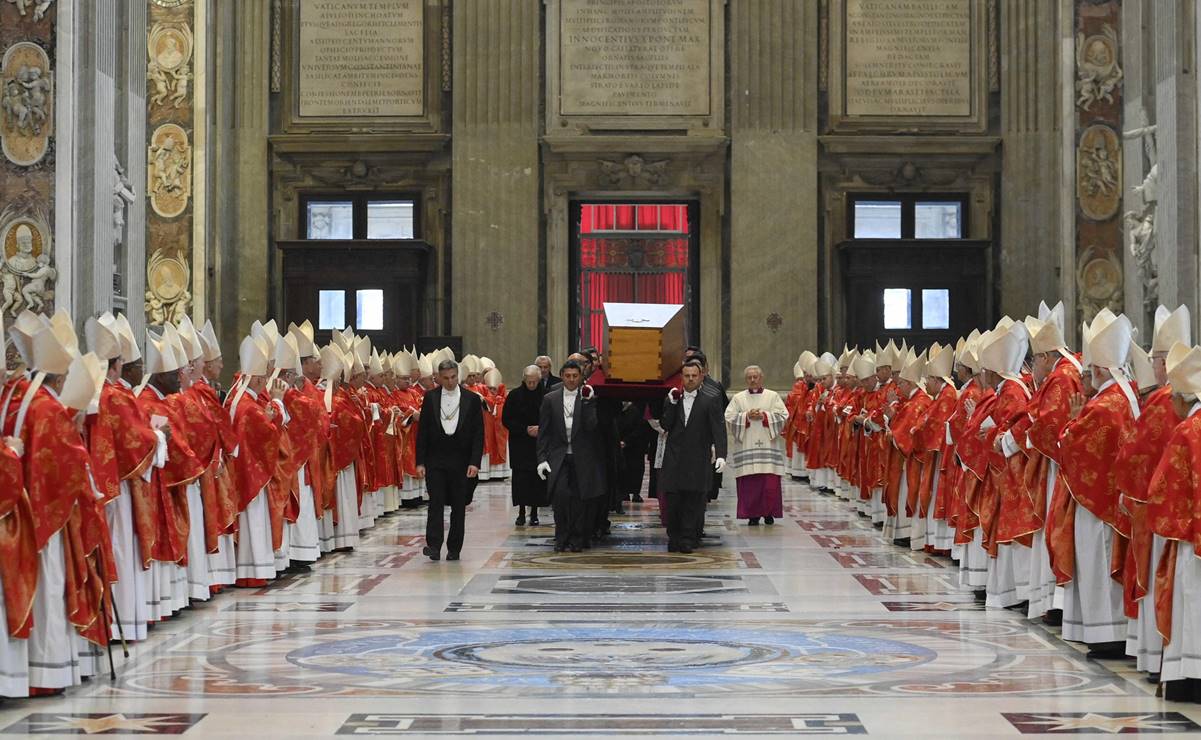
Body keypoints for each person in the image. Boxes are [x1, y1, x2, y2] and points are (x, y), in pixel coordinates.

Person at [415, 359, 484, 562]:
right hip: (435, 459)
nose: (450, 382)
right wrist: (420, 462)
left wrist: (475, 462)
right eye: (445, 378)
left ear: (458, 375)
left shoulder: (472, 399)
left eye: (453, 377)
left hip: (461, 460)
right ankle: (434, 546)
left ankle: (454, 548)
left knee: (458, 506)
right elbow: (423, 432)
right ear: (438, 377)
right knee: (435, 503)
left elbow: (478, 433)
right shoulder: (430, 398)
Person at [537, 360, 605, 552]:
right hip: (558, 457)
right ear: (562, 375)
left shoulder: (587, 397)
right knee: (560, 498)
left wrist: (588, 403)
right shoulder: (550, 399)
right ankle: (561, 537)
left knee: (579, 500)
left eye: (575, 376)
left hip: (582, 458)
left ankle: (577, 538)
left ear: (581, 377)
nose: (571, 380)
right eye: (568, 376)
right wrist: (541, 459)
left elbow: (591, 426)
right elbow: (544, 432)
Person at [660, 361, 726, 553]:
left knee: (693, 502)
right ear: (682, 377)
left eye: (693, 376)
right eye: (687, 376)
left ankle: (688, 538)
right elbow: (666, 425)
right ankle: (674, 537)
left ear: (701, 377)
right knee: (673, 502)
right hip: (674, 459)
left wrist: (721, 454)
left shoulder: (711, 399)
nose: (690, 379)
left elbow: (718, 429)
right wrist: (671, 404)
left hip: (698, 458)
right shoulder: (673, 398)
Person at [724, 365, 789, 525]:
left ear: (761, 378)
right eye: (749, 377)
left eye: (755, 377)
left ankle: (768, 513)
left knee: (769, 483)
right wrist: (746, 416)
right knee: (750, 483)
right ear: (746, 379)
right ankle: (752, 515)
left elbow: (783, 415)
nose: (753, 380)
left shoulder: (772, 396)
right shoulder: (739, 398)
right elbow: (729, 417)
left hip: (768, 447)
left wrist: (765, 416)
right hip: (747, 447)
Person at [502, 366, 548, 526]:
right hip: (520, 443)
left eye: (535, 382)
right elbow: (506, 419)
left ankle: (534, 512)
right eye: (529, 382)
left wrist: (540, 429)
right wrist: (524, 429)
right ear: (524, 380)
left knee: (537, 479)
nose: (532, 385)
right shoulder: (514, 395)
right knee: (521, 479)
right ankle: (521, 512)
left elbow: (552, 418)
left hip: (539, 443)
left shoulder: (546, 395)